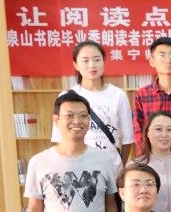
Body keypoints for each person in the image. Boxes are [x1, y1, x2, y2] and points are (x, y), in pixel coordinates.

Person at [51, 40, 134, 173]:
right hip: (78, 169)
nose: (92, 65)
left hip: (111, 169)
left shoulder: (118, 95)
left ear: (104, 62)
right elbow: (58, 138)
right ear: (76, 65)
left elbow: (128, 138)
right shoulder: (66, 97)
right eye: (85, 60)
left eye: (97, 59)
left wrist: (120, 168)